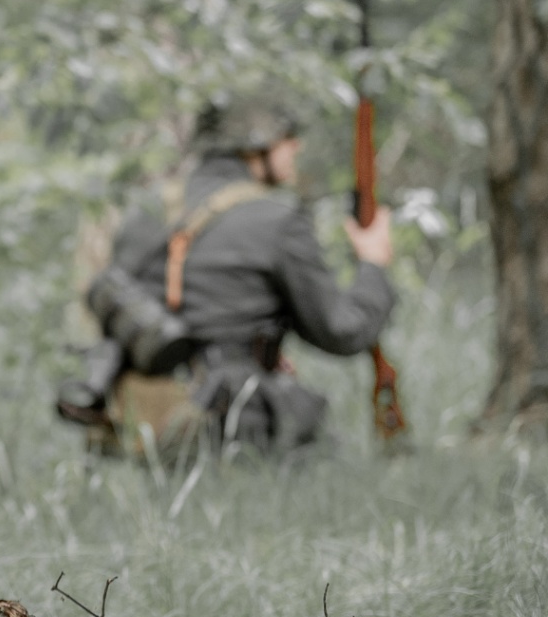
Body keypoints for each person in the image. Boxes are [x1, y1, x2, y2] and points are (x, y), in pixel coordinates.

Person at [63, 93, 395, 456]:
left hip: (138, 427)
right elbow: (343, 332)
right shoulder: (276, 219)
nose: (296, 146)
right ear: (255, 146)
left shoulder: (148, 208)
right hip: (232, 430)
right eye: (286, 136)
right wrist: (372, 263)